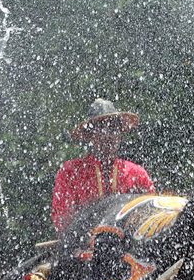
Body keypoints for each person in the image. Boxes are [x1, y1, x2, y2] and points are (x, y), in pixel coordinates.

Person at [51, 98, 155, 233]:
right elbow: (63, 219)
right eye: (100, 129)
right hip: (84, 249)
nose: (107, 136)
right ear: (89, 136)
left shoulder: (137, 174)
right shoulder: (70, 172)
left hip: (129, 247)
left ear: (121, 134)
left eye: (113, 129)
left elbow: (153, 214)